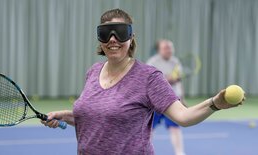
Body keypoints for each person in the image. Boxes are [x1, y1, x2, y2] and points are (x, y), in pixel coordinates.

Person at [41, 8, 244, 154]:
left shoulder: (149, 77)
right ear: (100, 39)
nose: (112, 39)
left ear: (131, 38)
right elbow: (100, 118)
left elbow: (183, 116)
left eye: (120, 32)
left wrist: (214, 103)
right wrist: (65, 116)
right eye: (105, 33)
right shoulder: (93, 72)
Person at [147, 39, 186, 155]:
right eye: (165, 47)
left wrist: (182, 99)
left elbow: (179, 83)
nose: (169, 50)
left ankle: (180, 153)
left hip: (173, 102)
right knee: (148, 130)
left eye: (170, 47)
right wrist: (168, 79)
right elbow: (150, 82)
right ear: (159, 50)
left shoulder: (176, 62)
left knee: (175, 128)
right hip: (155, 102)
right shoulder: (152, 63)